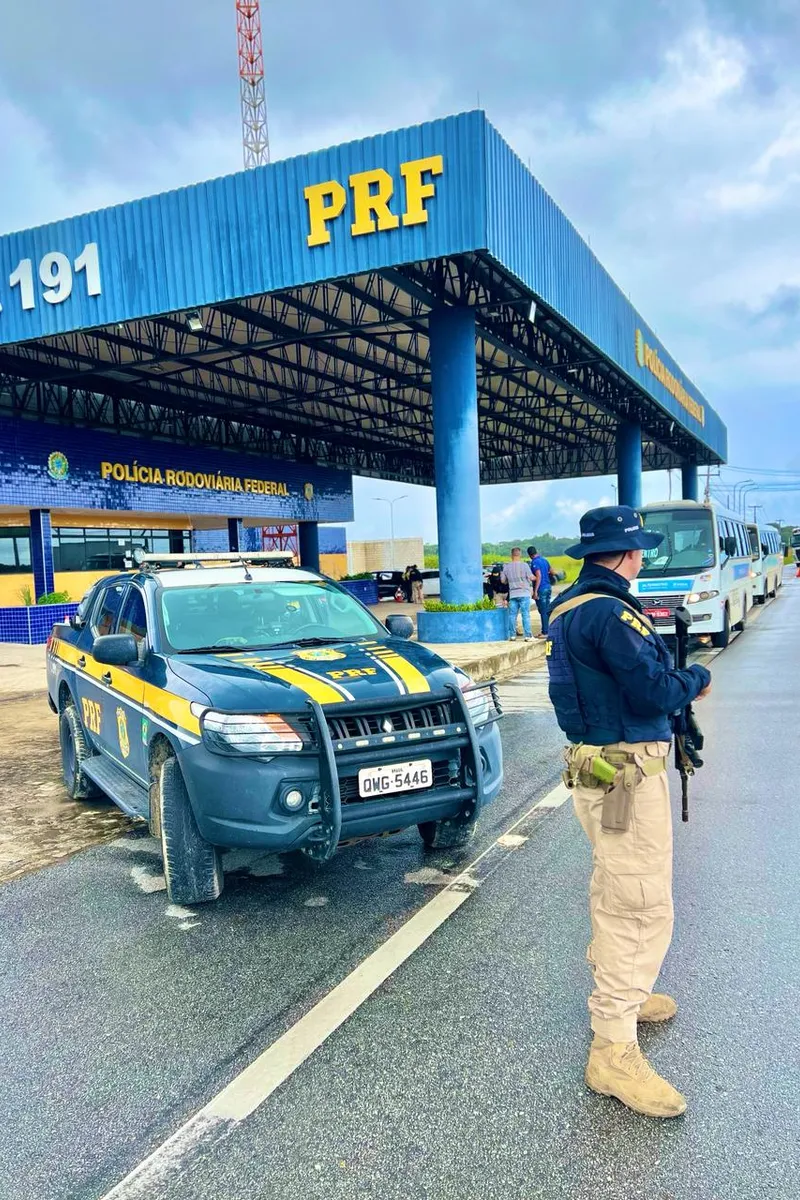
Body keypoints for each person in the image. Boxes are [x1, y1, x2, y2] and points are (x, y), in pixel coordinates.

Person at [545, 505, 712, 1119]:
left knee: (615, 887)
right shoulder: (612, 612)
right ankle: (612, 1047)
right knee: (639, 903)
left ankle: (627, 991)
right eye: (639, 549)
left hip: (597, 768)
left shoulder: (565, 608)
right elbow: (654, 690)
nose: (642, 558)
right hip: (628, 775)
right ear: (625, 553)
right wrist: (695, 679)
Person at [501, 548, 534, 640]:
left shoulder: (506, 567)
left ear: (511, 555)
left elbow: (503, 581)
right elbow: (531, 577)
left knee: (512, 615)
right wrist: (535, 577)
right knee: (525, 615)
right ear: (520, 555)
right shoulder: (525, 565)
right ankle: (528, 636)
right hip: (524, 593)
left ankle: (512, 635)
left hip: (513, 594)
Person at [527, 544, 553, 640]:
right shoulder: (544, 560)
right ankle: (548, 630)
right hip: (548, 587)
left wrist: (535, 591)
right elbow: (552, 571)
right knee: (546, 610)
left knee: (543, 611)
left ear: (530, 555)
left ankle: (545, 632)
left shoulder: (534, 563)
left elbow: (539, 576)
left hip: (541, 588)